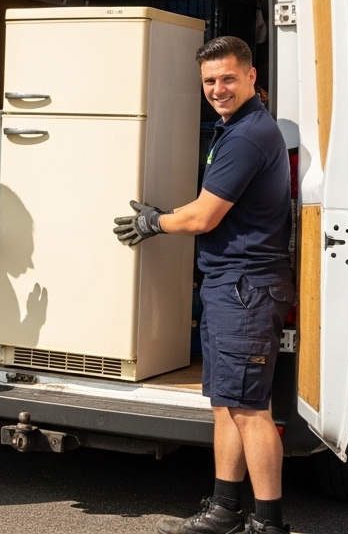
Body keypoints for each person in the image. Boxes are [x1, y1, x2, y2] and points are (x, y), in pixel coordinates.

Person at [113, 36, 293, 534]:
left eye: (228, 78)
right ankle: (225, 509)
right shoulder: (233, 128)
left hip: (246, 288)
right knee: (225, 406)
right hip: (228, 284)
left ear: (252, 77)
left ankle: (269, 523)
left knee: (250, 410)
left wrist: (156, 222)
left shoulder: (249, 135)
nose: (218, 89)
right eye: (210, 81)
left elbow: (204, 216)